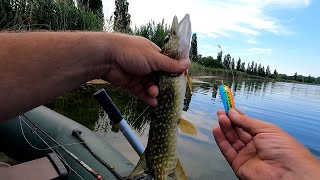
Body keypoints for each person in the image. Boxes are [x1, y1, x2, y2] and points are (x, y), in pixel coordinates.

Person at [0, 32, 319, 179]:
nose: (174, 36)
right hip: (164, 141)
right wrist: (109, 53)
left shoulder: (175, 72)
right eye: (171, 38)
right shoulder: (172, 70)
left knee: (159, 164)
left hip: (164, 139)